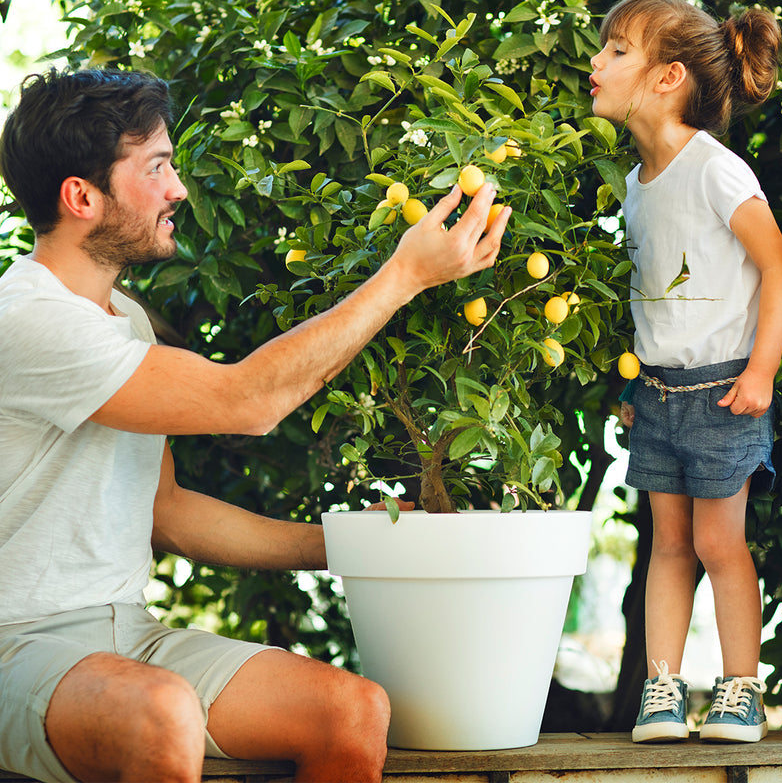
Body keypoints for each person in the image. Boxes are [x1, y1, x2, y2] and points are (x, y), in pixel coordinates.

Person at [0, 66, 511, 783]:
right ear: (81, 197)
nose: (178, 188)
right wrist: (405, 275)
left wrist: (353, 546)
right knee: (163, 713)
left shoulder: (128, 322)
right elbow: (250, 401)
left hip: (126, 634)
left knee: (351, 711)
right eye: (156, 168)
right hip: (17, 646)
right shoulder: (27, 320)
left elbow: (168, 513)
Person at [590, 0, 782, 744]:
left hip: (725, 392)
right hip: (660, 394)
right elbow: (656, 300)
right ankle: (663, 689)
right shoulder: (637, 188)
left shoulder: (714, 170)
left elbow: (777, 268)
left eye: (617, 50)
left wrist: (763, 373)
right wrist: (634, 387)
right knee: (668, 546)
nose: (597, 62)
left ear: (667, 77)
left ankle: (740, 689)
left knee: (719, 545)